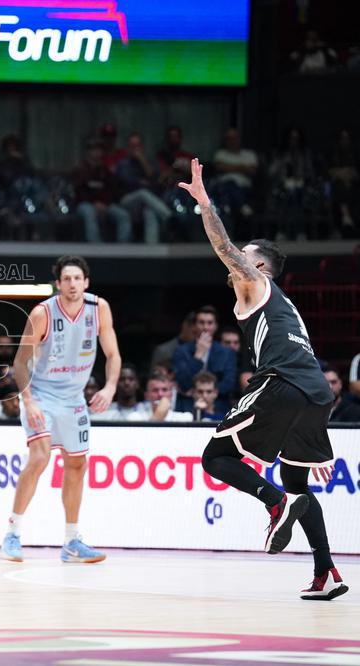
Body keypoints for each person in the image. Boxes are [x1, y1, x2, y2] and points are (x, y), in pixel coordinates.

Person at [180, 157, 347, 600]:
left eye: (246, 260)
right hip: (316, 395)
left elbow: (224, 248)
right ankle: (325, 573)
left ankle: (273, 503)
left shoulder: (257, 284)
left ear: (261, 269)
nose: (236, 265)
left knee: (216, 457)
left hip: (285, 384)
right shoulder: (286, 306)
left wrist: (204, 203)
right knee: (299, 485)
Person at [1, 255, 121, 564]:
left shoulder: (99, 309)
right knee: (40, 457)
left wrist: (109, 387)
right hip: (40, 394)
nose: (72, 284)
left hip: (74, 398)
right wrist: (28, 400)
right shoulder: (42, 313)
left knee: (77, 465)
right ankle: (13, 533)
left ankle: (71, 541)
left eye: (77, 278)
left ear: (86, 282)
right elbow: (19, 361)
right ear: (58, 284)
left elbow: (113, 354)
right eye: (66, 279)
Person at [172, 305, 237, 412]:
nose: (206, 327)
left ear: (216, 326)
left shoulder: (227, 353)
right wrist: (198, 355)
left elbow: (229, 383)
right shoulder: (181, 351)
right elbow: (183, 383)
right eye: (201, 322)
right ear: (194, 326)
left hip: (219, 407)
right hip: (187, 407)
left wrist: (206, 393)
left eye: (210, 323)